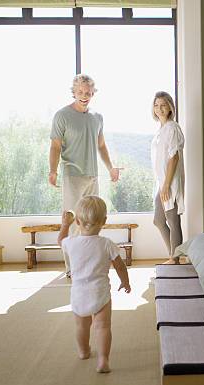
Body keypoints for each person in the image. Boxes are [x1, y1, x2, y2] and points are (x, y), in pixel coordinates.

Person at [49, 74, 120, 276]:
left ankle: (89, 262)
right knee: (72, 220)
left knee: (92, 219)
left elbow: (101, 145)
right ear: (74, 92)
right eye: (80, 92)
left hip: (92, 175)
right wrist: (53, 170)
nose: (84, 96)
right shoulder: (62, 115)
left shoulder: (97, 117)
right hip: (72, 174)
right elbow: (55, 147)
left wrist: (111, 168)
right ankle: (73, 268)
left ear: (92, 93)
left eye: (88, 93)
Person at [58, 196, 131, 373]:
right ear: (104, 221)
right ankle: (103, 359)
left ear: (77, 221)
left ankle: (84, 351)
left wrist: (65, 225)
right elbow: (120, 266)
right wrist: (125, 281)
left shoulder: (70, 243)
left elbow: (60, 240)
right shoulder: (107, 244)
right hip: (100, 293)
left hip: (79, 293)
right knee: (103, 326)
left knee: (81, 326)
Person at [151, 91, 185, 264]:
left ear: (170, 107)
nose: (159, 108)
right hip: (162, 182)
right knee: (158, 220)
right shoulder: (162, 129)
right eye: (156, 105)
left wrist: (166, 184)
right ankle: (174, 255)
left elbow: (174, 157)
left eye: (163, 105)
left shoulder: (172, 127)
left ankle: (175, 258)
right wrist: (161, 184)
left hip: (169, 182)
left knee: (172, 220)